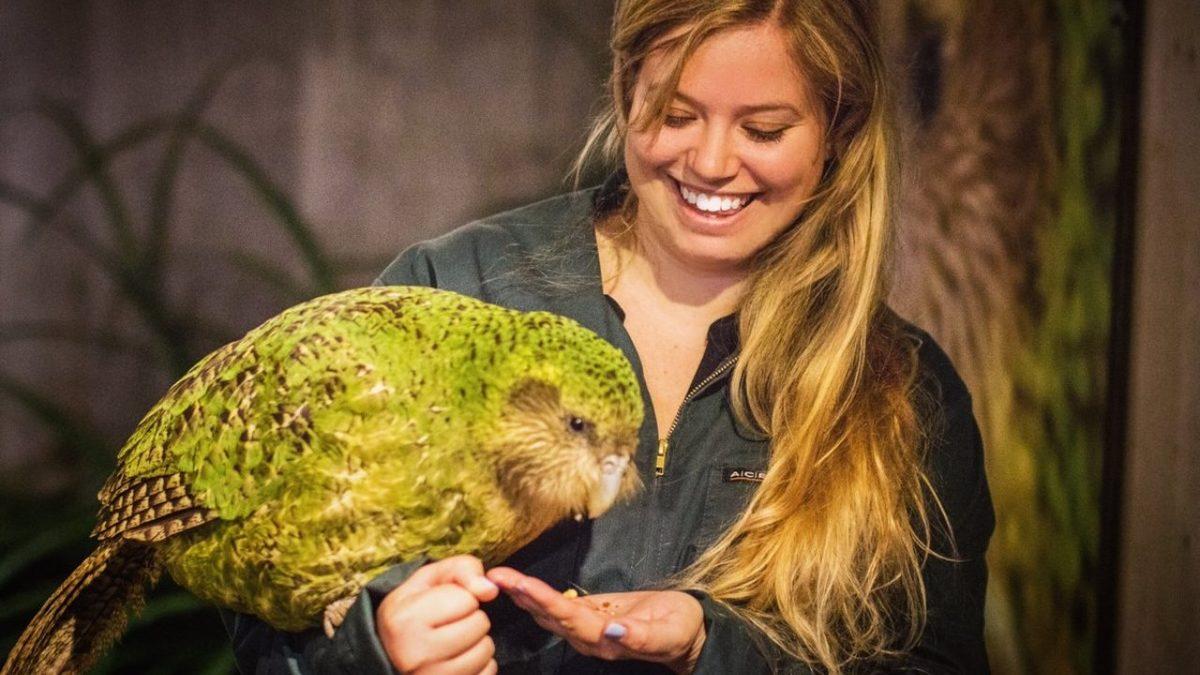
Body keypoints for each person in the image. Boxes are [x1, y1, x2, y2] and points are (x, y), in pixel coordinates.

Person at [224, 0, 994, 673]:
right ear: (627, 89)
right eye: (677, 114)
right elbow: (261, 605)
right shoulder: (454, 287)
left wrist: (715, 649)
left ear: (839, 129)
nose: (712, 162)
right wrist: (372, 644)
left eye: (764, 129)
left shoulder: (903, 390)